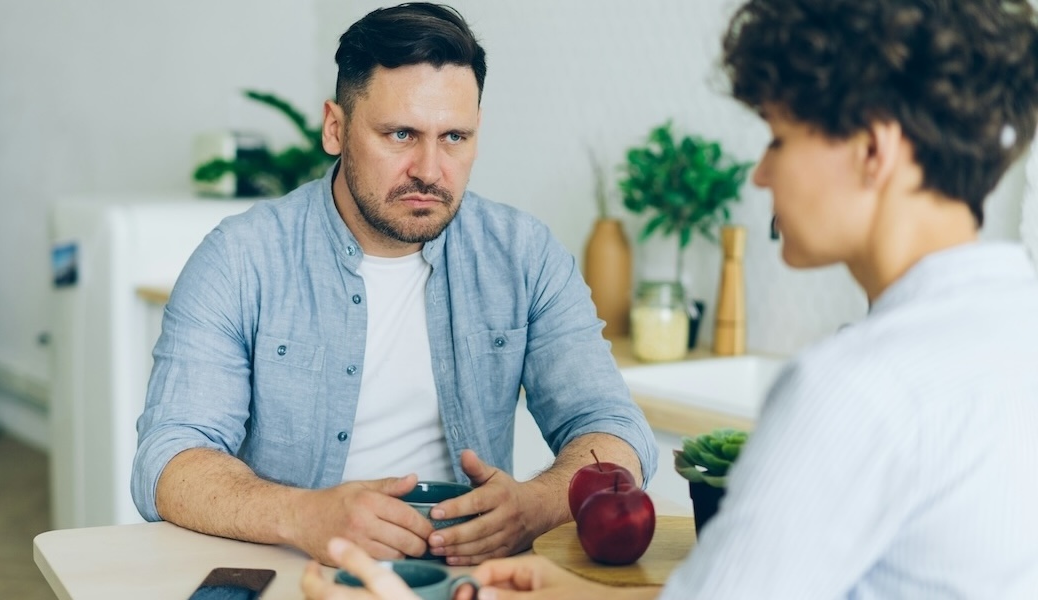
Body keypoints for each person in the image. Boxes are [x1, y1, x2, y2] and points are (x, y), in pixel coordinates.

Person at [302, 0, 1038, 597]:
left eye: (779, 139)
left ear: (873, 152)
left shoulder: (856, 390)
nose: (761, 176)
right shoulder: (1016, 324)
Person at [130, 2, 658, 567]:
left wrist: (537, 504)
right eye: (401, 133)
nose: (430, 169)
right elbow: (168, 459)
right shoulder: (239, 259)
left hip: (468, 578)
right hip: (302, 571)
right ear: (335, 128)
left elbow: (613, 430)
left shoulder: (525, 255)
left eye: (454, 136)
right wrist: (304, 514)